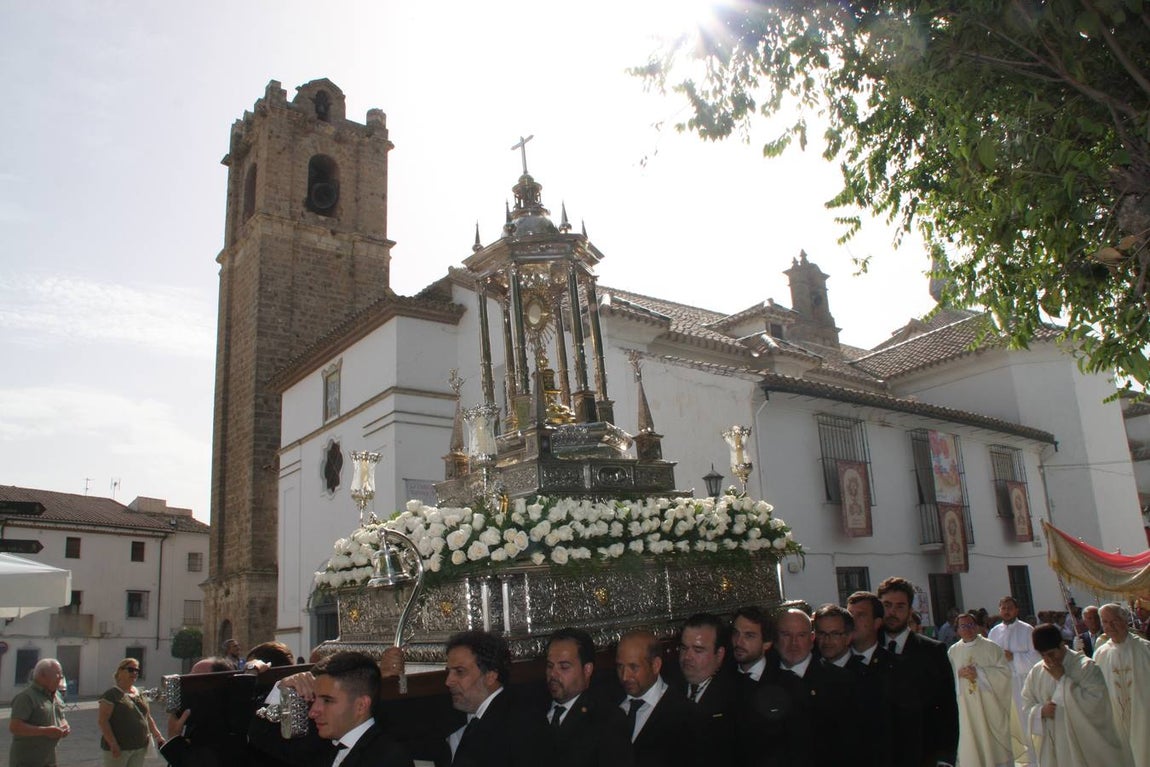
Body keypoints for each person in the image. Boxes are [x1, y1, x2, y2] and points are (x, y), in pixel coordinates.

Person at [745, 608, 857, 767]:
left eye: (801, 635)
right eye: (786, 635)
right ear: (775, 639)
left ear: (812, 639)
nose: (793, 643)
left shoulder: (841, 682)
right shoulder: (758, 680)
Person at [1021, 623, 1133, 767]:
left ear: (1062, 645)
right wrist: (1041, 711)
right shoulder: (1037, 671)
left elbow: (1097, 704)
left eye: (1051, 654)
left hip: (1082, 743)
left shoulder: (1086, 667)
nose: (1048, 660)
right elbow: (1026, 702)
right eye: (1043, 655)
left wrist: (1063, 680)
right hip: (1053, 742)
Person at [876, 576, 958, 767]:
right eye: (887, 605)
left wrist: (945, 758)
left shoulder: (932, 651)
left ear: (910, 610)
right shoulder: (868, 648)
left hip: (922, 753)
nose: (892, 612)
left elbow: (947, 708)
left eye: (900, 606)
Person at [543, 627, 632, 767]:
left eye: (564, 667)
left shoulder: (607, 719)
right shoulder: (533, 709)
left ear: (587, 669)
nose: (553, 674)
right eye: (549, 666)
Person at [615, 629, 700, 767]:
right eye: (620, 667)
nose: (625, 676)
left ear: (655, 665)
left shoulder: (684, 714)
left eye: (633, 667)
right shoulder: (607, 702)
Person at [948, 612, 1018, 767]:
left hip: (989, 707)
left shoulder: (992, 647)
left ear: (977, 626)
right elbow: (946, 679)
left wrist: (980, 673)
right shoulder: (952, 652)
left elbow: (1005, 674)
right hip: (965, 709)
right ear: (957, 630)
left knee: (991, 746)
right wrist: (958, 674)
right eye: (963, 626)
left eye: (971, 625)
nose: (968, 629)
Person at [1093, 603, 1150, 767]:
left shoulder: (1145, 649)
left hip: (1144, 719)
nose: (1109, 626)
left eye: (1114, 621)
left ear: (1125, 621)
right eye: (1105, 622)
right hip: (1114, 719)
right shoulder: (1100, 654)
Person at [677, 613, 737, 764]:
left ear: (719, 654)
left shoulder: (736, 695)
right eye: (684, 648)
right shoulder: (669, 686)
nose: (687, 657)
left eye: (698, 650)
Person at [845, 591, 896, 767]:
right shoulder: (835, 664)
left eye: (861, 615)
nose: (853, 621)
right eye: (849, 615)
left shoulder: (895, 667)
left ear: (877, 623)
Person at [988, 595, 1040, 765]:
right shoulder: (994, 632)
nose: (1006, 611)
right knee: (1005, 723)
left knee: (1025, 723)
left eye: (1010, 607)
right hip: (1002, 685)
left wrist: (1013, 657)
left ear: (1016, 610)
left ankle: (1031, 761)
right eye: (1003, 608)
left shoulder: (1027, 630)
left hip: (1021, 683)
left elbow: (1035, 658)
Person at [97, 658, 165, 767]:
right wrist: (113, 744)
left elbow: (147, 717)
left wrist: (158, 736)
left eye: (137, 671)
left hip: (139, 747)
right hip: (120, 748)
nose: (134, 673)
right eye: (131, 669)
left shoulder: (140, 693)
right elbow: (103, 721)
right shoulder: (111, 695)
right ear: (120, 671)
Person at [8, 658, 70, 767]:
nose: (60, 678)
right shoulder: (26, 697)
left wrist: (65, 725)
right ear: (42, 676)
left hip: (49, 760)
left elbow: (61, 716)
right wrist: (45, 731)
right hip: (27, 761)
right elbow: (15, 727)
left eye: (61, 675)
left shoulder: (56, 695)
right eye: (57, 674)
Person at [729, 606, 771, 681]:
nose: (738, 642)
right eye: (736, 633)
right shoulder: (722, 679)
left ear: (767, 644)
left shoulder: (786, 683)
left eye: (749, 636)